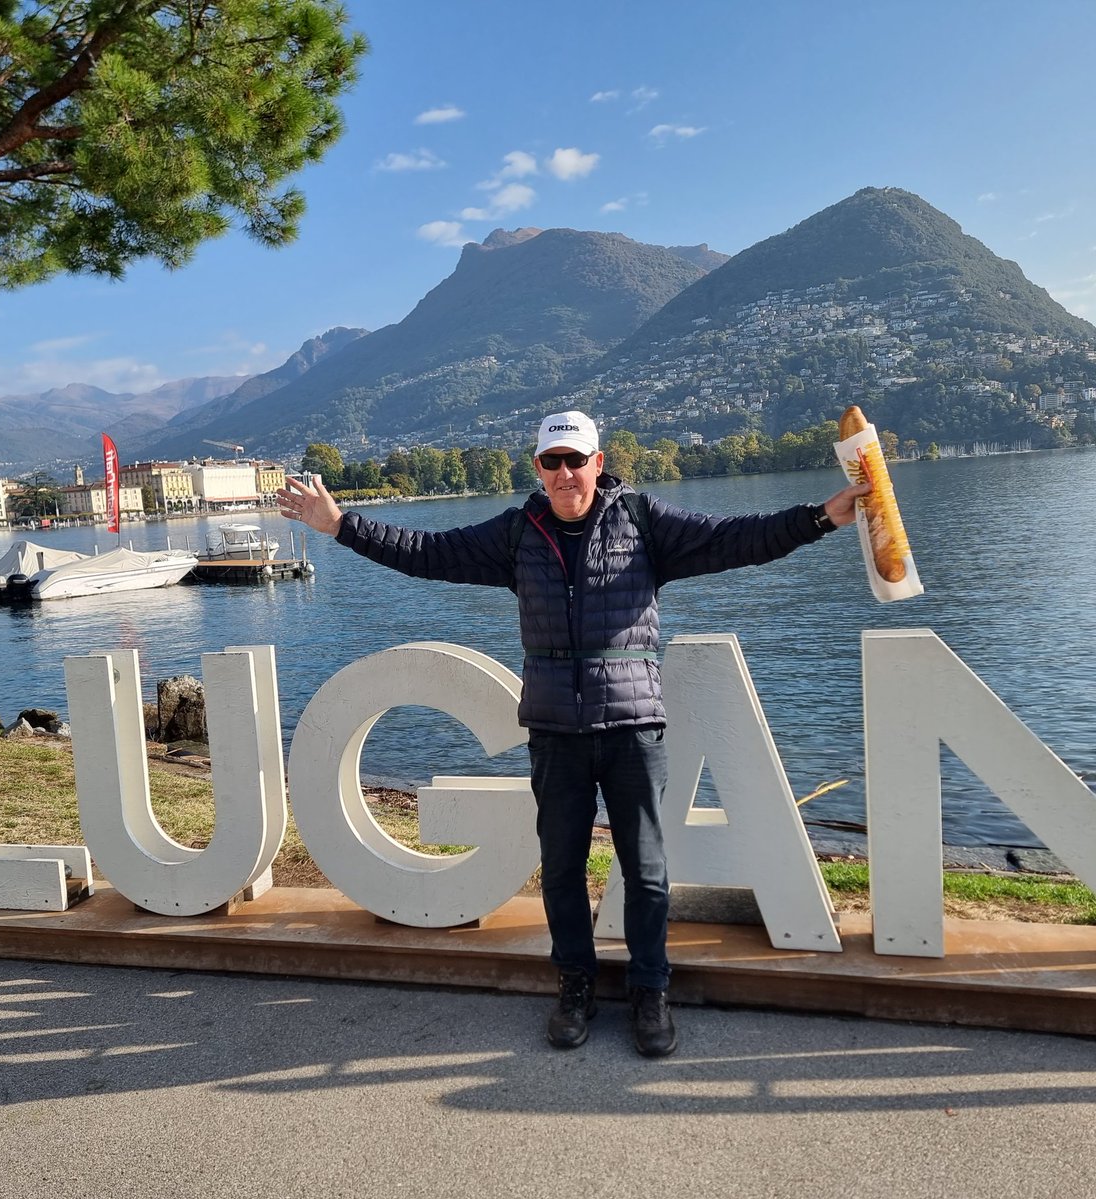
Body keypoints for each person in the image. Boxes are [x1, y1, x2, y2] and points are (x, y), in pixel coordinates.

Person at [278, 410, 868, 1058]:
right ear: (538, 468)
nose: (565, 473)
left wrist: (820, 518)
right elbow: (430, 554)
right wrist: (340, 526)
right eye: (552, 462)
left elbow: (737, 539)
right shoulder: (515, 534)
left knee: (644, 872)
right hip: (556, 733)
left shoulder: (643, 521)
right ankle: (576, 986)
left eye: (575, 460)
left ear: (598, 461)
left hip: (632, 731)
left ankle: (650, 991)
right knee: (560, 870)